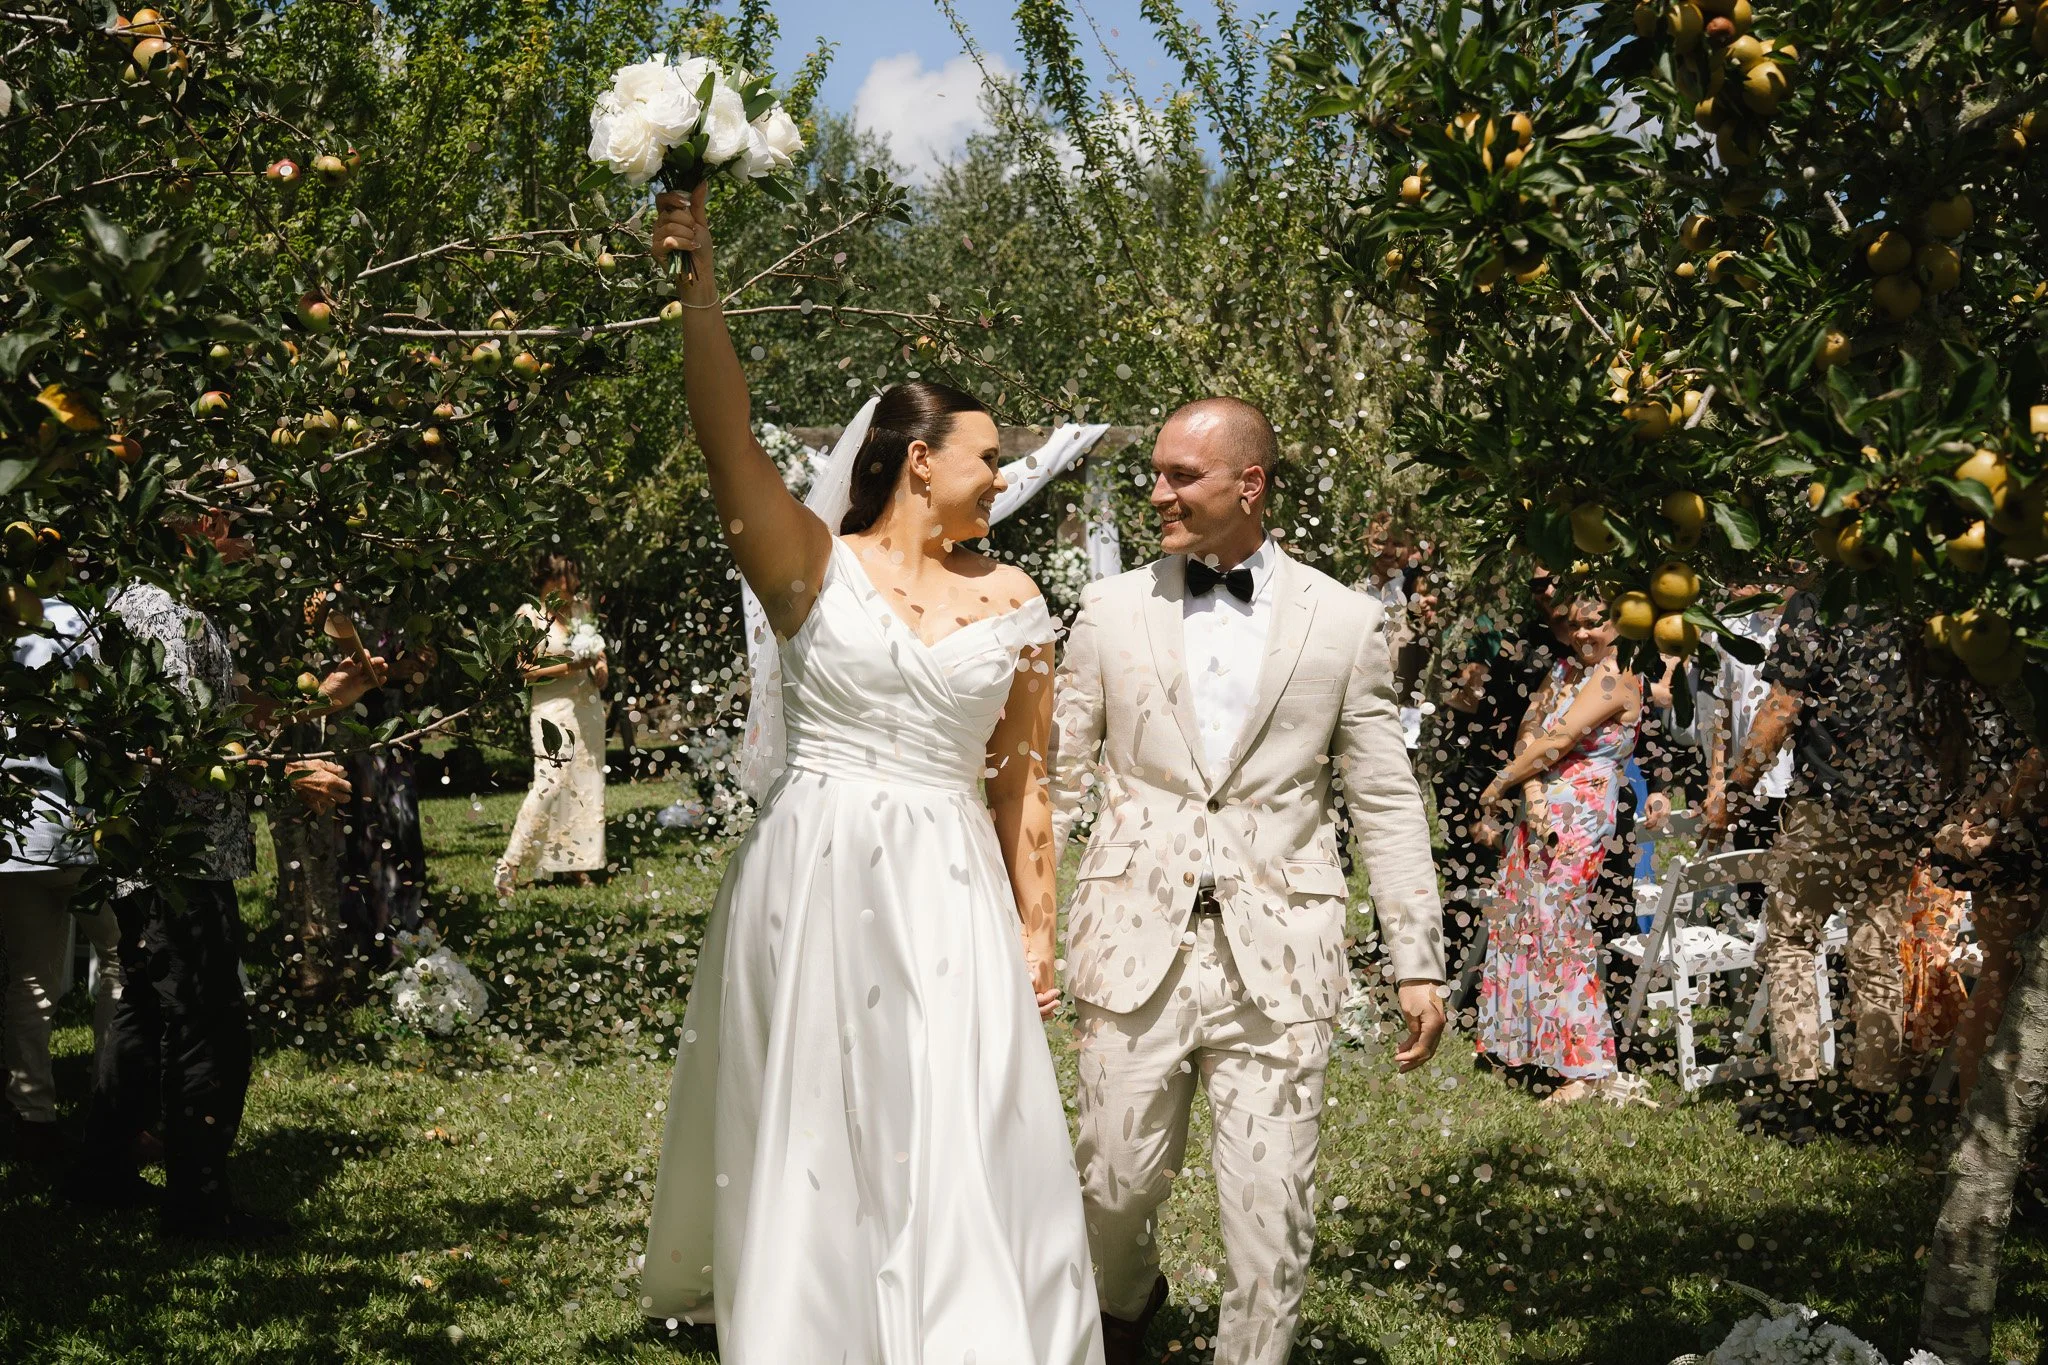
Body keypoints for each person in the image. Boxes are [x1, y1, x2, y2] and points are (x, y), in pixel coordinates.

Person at [637, 186, 1103, 1361]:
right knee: (818, 1099)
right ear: (914, 462)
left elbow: (1025, 785)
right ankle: (817, 1317)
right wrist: (698, 286)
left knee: (954, 1097)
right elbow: (725, 438)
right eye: (988, 458)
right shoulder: (806, 568)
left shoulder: (1016, 602)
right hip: (820, 857)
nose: (1003, 478)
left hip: (949, 875)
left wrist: (1036, 931)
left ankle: (967, 1322)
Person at [1051, 397, 1446, 1365]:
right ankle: (1129, 1296)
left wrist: (1416, 959)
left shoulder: (1347, 625)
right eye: (1154, 473)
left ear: (1248, 484)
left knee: (1271, 1218)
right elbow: (1052, 787)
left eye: (1179, 476)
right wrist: (999, 917)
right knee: (1112, 1184)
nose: (1157, 493)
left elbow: (1384, 799)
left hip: (1282, 952)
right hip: (1129, 941)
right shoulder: (1107, 611)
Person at [66, 507, 385, 1239]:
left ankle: (102, 1171)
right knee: (209, 1027)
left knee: (143, 1011)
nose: (250, 544)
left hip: (161, 851)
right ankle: (199, 1209)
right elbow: (178, 746)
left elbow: (223, 710)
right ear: (206, 524)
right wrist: (287, 775)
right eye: (244, 526)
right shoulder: (161, 614)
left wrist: (322, 699)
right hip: (177, 853)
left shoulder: (168, 607)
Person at [1703, 592, 1950, 1139]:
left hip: (1828, 805)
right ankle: (1873, 1101)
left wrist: (1739, 783)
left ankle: (1801, 1094)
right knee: (1876, 948)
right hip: (1900, 807)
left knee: (1791, 939)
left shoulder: (1820, 603)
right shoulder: (1921, 596)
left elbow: (1782, 706)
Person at [1472, 596, 1642, 1106]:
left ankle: (1587, 1066)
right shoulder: (1565, 669)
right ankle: (1530, 1046)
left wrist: (1501, 783)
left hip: (1583, 810)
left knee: (1558, 922)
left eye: (1595, 624)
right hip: (1542, 807)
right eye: (1575, 626)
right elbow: (1530, 726)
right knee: (1520, 915)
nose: (1583, 635)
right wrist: (1531, 792)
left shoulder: (1620, 678)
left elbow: (1559, 738)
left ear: (1619, 626)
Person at [2, 597, 122, 1164]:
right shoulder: (73, 618)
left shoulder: (7, 624)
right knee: (122, 960)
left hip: (14, 832)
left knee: (31, 979)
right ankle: (114, 1105)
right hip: (75, 824)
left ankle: (35, 1118)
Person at [495, 555, 608, 896]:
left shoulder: (581, 612)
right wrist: (570, 666)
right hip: (551, 710)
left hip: (588, 707)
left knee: (585, 786)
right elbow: (523, 671)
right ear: (544, 581)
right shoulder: (527, 616)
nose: (567, 589)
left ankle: (574, 864)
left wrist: (600, 668)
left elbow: (598, 657)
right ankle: (509, 865)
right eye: (560, 581)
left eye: (571, 582)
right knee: (550, 783)